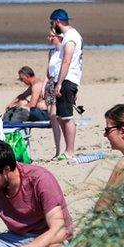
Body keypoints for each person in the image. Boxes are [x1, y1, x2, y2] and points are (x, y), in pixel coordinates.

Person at [49, 9, 83, 161]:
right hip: (64, 79)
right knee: (61, 116)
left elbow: (66, 61)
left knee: (67, 116)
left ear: (57, 21)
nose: (52, 27)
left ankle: (70, 151)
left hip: (68, 80)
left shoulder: (70, 37)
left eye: (52, 23)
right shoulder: (68, 36)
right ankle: (66, 150)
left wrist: (60, 83)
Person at [44, 30, 64, 157]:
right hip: (50, 84)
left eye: (52, 36)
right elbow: (48, 72)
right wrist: (43, 86)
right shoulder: (52, 52)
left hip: (59, 83)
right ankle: (58, 149)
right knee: (52, 116)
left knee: (58, 116)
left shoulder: (64, 51)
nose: (49, 38)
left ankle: (64, 149)